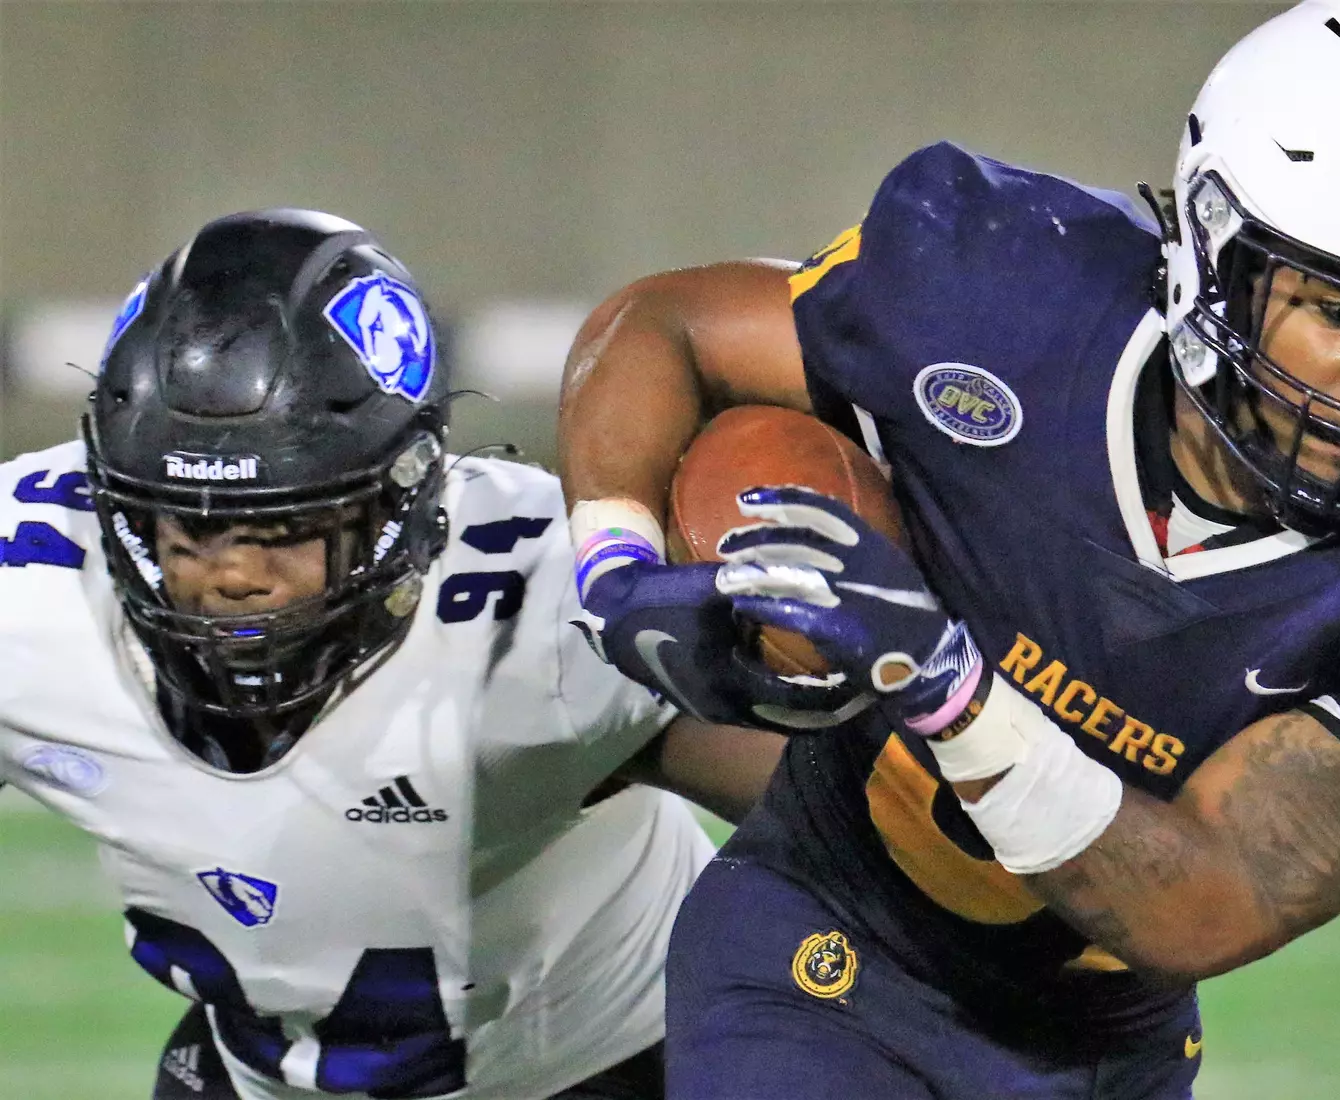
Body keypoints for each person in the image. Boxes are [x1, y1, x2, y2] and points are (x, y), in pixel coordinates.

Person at [558, 1, 1340, 1096]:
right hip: (819, 952)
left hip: (1101, 1056)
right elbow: (668, 325)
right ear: (1219, 257)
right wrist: (617, 565)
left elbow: (1210, 898)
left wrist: (948, 685)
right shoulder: (1008, 296)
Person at [0, 208, 782, 1100]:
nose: (235, 575)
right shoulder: (31, 591)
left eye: (286, 527)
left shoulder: (543, 603)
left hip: (612, 1061)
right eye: (192, 527)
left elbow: (856, 818)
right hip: (261, 1076)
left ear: (398, 501)